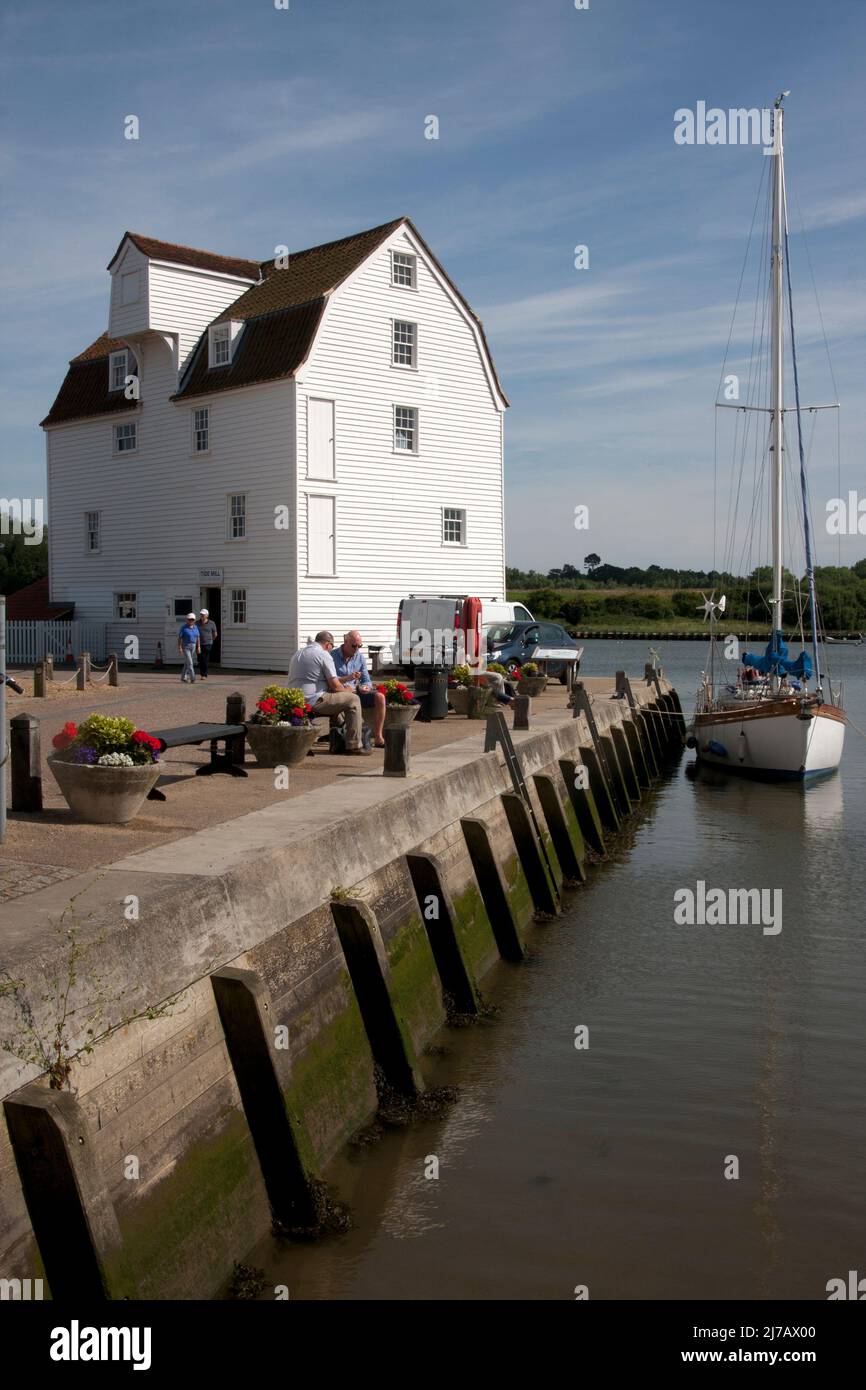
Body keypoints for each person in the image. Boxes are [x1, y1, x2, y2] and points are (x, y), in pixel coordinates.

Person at [287, 630, 369, 754]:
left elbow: (324, 680)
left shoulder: (298, 654)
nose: (331, 650)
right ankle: (354, 745)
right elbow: (335, 686)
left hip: (294, 700)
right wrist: (348, 690)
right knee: (353, 700)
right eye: (331, 647)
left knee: (336, 699)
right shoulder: (324, 654)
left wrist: (347, 680)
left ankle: (337, 739)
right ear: (327, 644)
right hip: (313, 700)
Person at [333, 631, 385, 747]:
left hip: (356, 692)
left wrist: (365, 687)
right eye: (354, 646)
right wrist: (348, 678)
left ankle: (378, 736)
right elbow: (331, 680)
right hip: (340, 692)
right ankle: (352, 739)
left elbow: (366, 679)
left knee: (380, 697)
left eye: (359, 646)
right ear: (345, 642)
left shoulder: (359, 657)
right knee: (350, 698)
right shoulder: (332, 656)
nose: (357, 649)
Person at [178, 612, 200, 684]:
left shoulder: (196, 627)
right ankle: (193, 678)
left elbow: (198, 637)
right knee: (190, 663)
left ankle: (183, 677)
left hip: (193, 646)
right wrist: (180, 647)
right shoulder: (183, 628)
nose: (191, 621)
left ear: (194, 620)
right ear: (187, 620)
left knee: (187, 662)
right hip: (186, 646)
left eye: (192, 619)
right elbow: (180, 638)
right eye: (189, 619)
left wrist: (198, 647)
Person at [198, 608, 218, 679]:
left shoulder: (211, 623)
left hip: (207, 644)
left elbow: (215, 633)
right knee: (200, 659)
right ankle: (202, 673)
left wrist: (211, 640)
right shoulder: (197, 623)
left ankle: (204, 674)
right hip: (199, 644)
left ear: (207, 615)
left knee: (205, 659)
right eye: (201, 614)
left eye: (203, 615)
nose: (202, 616)